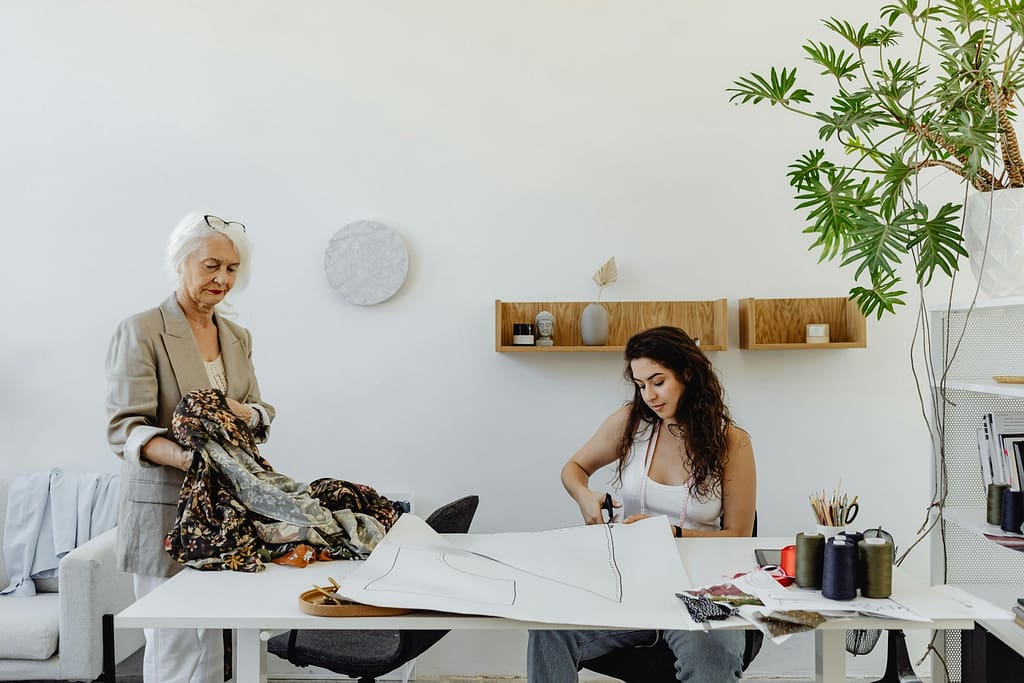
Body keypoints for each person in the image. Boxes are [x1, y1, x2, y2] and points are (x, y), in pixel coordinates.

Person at [527, 326, 756, 682]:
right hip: (631, 582)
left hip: (702, 588)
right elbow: (573, 469)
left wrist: (673, 533)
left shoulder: (732, 442)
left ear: (687, 374)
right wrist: (584, 495)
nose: (648, 394)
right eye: (640, 384)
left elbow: (740, 535)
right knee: (550, 630)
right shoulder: (630, 423)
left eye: (658, 381)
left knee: (712, 658)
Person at [105, 212, 275, 683]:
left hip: (227, 513)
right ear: (180, 264)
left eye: (232, 269)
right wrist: (192, 460)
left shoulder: (238, 337)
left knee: (223, 639)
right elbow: (125, 428)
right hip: (165, 511)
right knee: (174, 642)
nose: (222, 279)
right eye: (211, 266)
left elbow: (257, 408)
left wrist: (253, 415)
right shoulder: (142, 330)